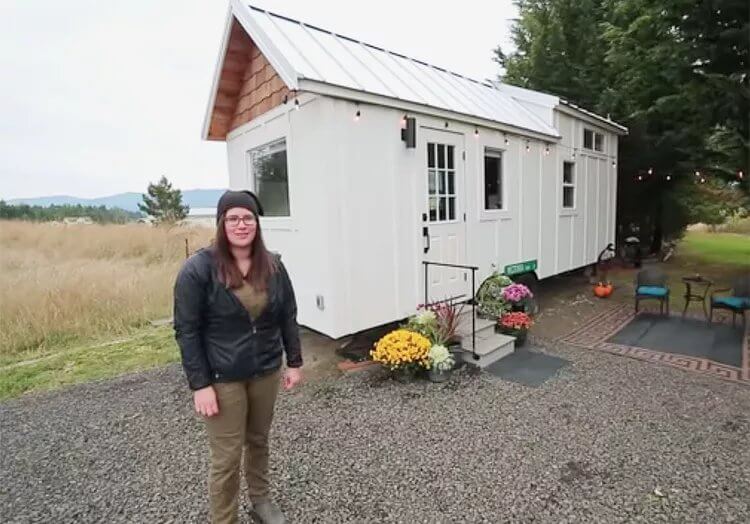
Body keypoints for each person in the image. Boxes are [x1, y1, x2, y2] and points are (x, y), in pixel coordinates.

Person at [173, 190, 303, 524]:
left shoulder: (273, 265)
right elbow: (187, 331)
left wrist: (295, 361)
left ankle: (261, 502)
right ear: (221, 223)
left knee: (259, 441)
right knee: (227, 457)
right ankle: (224, 519)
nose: (241, 224)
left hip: (265, 371)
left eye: (248, 218)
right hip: (222, 378)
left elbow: (287, 314)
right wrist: (200, 384)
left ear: (257, 224)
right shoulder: (198, 269)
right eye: (232, 218)